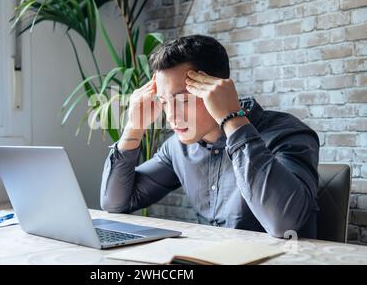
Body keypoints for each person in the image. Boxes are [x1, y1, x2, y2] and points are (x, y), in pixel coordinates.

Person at [100, 34, 320, 238]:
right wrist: (133, 128)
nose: (171, 117)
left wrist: (232, 119)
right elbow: (115, 203)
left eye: (183, 101)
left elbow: (284, 224)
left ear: (216, 89)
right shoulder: (177, 148)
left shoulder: (287, 133)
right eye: (164, 102)